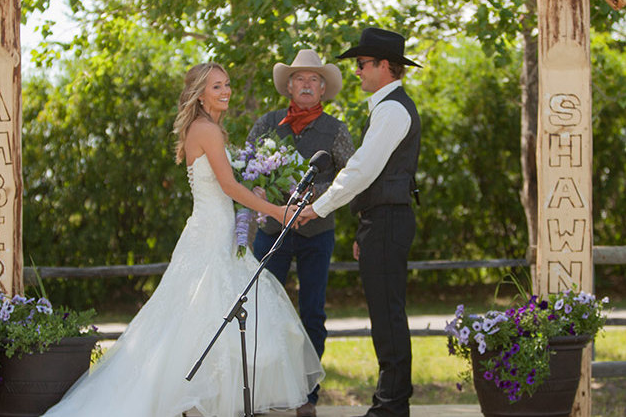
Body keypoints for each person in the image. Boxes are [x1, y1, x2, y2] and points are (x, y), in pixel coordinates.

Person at [43, 63, 324, 417]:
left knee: (209, 313)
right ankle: (189, 399)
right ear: (200, 94)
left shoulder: (207, 128)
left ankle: (208, 402)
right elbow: (228, 187)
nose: (225, 91)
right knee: (201, 314)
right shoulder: (207, 130)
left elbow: (230, 184)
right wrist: (278, 210)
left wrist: (259, 185)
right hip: (210, 234)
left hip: (216, 229)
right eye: (216, 86)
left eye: (227, 84)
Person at [299, 28, 422, 417]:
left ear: (385, 66)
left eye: (362, 64)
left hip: (388, 222)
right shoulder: (387, 108)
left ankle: (391, 405)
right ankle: (391, 401)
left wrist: (318, 207)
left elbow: (361, 171)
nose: (357, 72)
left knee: (387, 316)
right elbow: (376, 175)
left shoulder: (391, 110)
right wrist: (363, 224)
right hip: (381, 221)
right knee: (385, 314)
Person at [247, 49, 355, 417]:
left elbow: (351, 178)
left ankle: (307, 396)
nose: (306, 85)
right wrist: (259, 192)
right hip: (270, 231)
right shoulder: (266, 124)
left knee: (313, 313)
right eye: (300, 79)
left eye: (314, 80)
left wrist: (316, 205)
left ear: (323, 90)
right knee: (261, 310)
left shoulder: (337, 130)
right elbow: (247, 168)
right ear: (288, 86)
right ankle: (262, 390)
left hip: (317, 232)